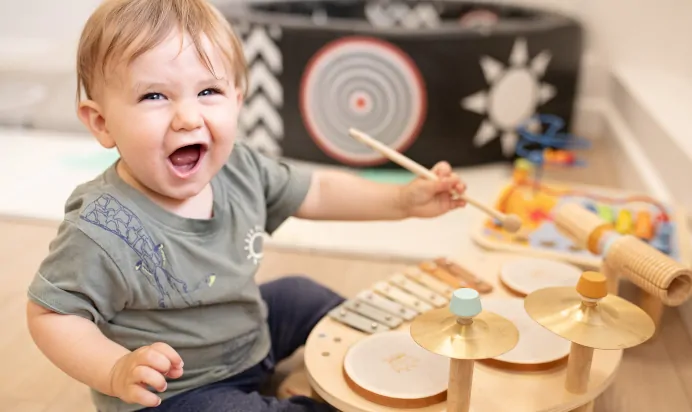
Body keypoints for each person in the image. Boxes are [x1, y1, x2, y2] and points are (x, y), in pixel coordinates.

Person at [25, 1, 467, 411]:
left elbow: (319, 191)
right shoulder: (101, 228)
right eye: (154, 97)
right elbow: (52, 314)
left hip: (248, 335)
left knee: (298, 293)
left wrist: (403, 199)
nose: (188, 117)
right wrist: (115, 368)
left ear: (237, 99)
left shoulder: (240, 168)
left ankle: (377, 353)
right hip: (179, 391)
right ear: (102, 123)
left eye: (208, 92)